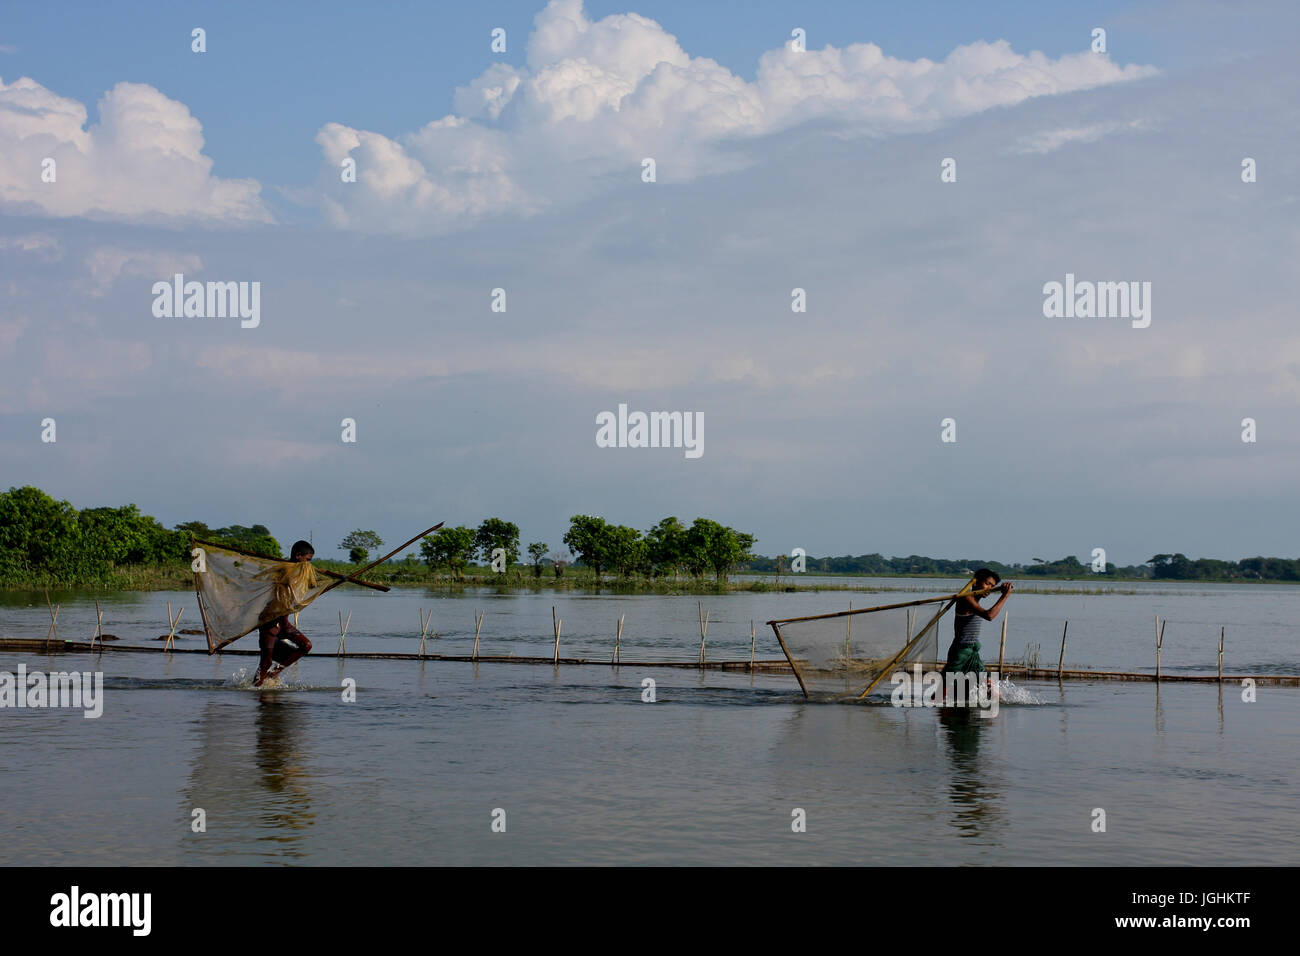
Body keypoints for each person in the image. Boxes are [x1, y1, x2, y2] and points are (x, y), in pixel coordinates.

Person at [941, 568, 1012, 702]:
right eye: (987, 584)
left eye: (992, 586)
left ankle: (1000, 708)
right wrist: (1005, 596)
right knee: (944, 690)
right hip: (960, 652)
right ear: (976, 583)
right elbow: (989, 615)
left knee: (989, 683)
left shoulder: (975, 599)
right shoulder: (966, 597)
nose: (989, 588)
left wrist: (1003, 591)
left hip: (973, 652)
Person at [253, 540, 316, 686]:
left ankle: (274, 672)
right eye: (307, 560)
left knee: (306, 645)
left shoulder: (300, 571)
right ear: (298, 555)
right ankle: (256, 688)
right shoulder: (285, 570)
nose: (308, 564)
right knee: (266, 661)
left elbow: (313, 585)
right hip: (270, 621)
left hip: (284, 623)